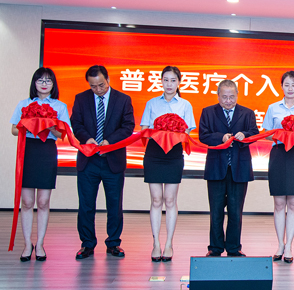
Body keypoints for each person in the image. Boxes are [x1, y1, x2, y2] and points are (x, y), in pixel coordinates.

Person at [71, 65, 135, 260]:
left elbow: (128, 126)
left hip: (112, 160)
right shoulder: (81, 99)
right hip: (88, 160)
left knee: (114, 205)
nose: (98, 89)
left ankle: (113, 243)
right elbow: (76, 124)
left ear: (108, 79)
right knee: (86, 205)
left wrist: (110, 141)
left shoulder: (123, 100)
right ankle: (87, 244)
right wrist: (87, 138)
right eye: (93, 86)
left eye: (101, 85)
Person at [10, 67, 70, 262]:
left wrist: (49, 125)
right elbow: (14, 129)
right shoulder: (24, 104)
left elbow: (62, 134)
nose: (44, 84)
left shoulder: (60, 106)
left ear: (53, 84)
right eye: (40, 80)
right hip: (28, 150)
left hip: (46, 151)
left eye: (48, 81)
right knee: (27, 202)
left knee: (43, 201)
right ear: (34, 83)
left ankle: (41, 243)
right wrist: (30, 124)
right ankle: (27, 244)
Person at [140, 66, 196, 262]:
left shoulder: (185, 105)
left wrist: (173, 131)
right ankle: (156, 243)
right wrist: (159, 131)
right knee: (156, 200)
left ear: (179, 82)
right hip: (154, 153)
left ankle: (169, 243)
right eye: (166, 80)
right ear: (161, 81)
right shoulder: (152, 103)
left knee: (170, 200)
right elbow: (144, 129)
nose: (169, 84)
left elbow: (187, 133)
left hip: (174, 154)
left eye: (173, 80)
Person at [199, 79, 259, 257]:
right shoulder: (208, 112)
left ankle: (234, 247)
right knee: (216, 211)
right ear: (218, 96)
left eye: (231, 97)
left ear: (237, 95)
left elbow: (254, 133)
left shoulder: (247, 113)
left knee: (235, 211)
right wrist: (221, 137)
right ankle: (215, 247)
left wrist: (244, 135)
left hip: (239, 169)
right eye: (224, 97)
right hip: (216, 168)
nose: (228, 101)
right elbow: (203, 135)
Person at [262, 71, 294, 263]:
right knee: (278, 203)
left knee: (293, 203)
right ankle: (280, 244)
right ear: (281, 87)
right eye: (287, 84)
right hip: (279, 154)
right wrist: (282, 134)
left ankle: (290, 245)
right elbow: (266, 133)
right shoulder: (273, 107)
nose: (290, 88)